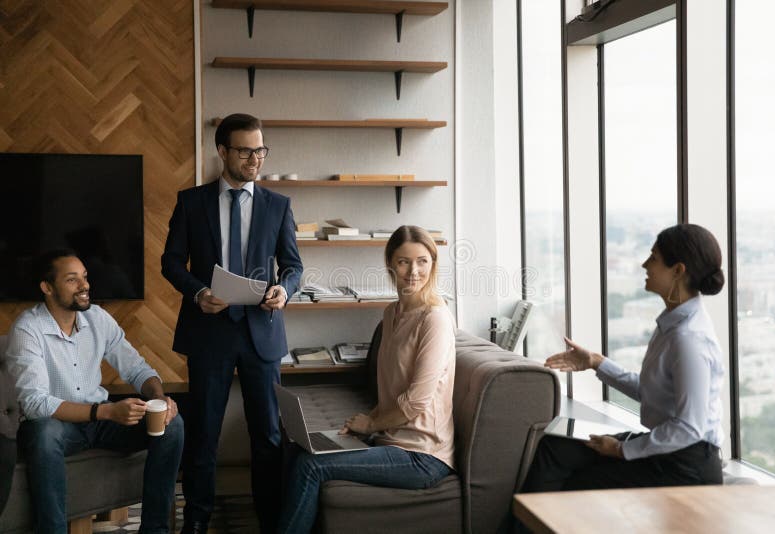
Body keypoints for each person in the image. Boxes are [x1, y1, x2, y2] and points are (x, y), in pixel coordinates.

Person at [161, 113, 303, 534]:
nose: (255, 159)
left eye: (260, 150)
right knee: (204, 434)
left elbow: (293, 265)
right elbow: (171, 262)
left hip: (262, 332)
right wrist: (198, 291)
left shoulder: (279, 205)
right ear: (222, 151)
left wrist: (285, 290)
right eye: (245, 151)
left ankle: (270, 518)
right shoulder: (192, 202)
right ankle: (198, 519)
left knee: (269, 438)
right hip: (209, 333)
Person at [277, 225, 456, 534]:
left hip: (422, 456)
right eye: (404, 262)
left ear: (433, 264)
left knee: (310, 467)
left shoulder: (435, 319)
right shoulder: (392, 313)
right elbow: (391, 391)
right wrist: (363, 422)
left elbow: (415, 401)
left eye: (422, 261)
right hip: (389, 439)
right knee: (298, 449)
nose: (414, 271)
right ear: (390, 265)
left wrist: (372, 425)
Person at [523, 223, 726, 492]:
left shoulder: (688, 339)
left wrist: (621, 449)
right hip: (670, 450)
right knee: (556, 448)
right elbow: (652, 392)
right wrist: (596, 362)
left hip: (685, 465)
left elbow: (690, 428)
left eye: (653, 258)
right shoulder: (673, 325)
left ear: (678, 271)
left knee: (578, 483)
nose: (645, 265)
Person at [5, 250, 183, 534]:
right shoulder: (28, 329)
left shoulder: (98, 318)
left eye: (85, 277)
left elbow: (137, 368)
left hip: (101, 422)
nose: (85, 285)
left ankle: (155, 530)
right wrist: (108, 411)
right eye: (72, 280)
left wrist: (158, 399)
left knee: (172, 426)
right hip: (58, 426)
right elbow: (35, 403)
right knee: (44, 432)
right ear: (47, 288)